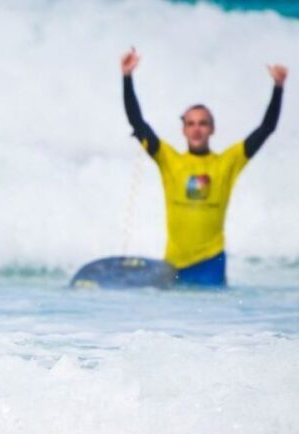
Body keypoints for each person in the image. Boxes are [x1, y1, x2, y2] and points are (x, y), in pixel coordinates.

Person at [121, 48, 287, 286]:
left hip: (211, 264)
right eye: (190, 124)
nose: (196, 129)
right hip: (173, 265)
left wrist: (278, 87)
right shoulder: (169, 159)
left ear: (212, 129)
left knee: (210, 311)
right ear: (184, 130)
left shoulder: (228, 162)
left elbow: (266, 129)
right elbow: (137, 123)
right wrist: (127, 77)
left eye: (202, 123)